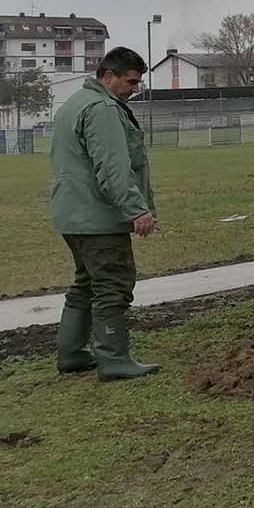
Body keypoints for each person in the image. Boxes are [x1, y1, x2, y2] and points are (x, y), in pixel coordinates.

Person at [48, 46, 161, 381]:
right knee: (113, 283)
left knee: (86, 282)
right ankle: (114, 359)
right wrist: (137, 210)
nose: (135, 89)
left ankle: (71, 353)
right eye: (130, 81)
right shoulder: (102, 108)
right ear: (108, 76)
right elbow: (112, 168)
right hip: (98, 217)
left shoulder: (74, 104)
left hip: (73, 214)